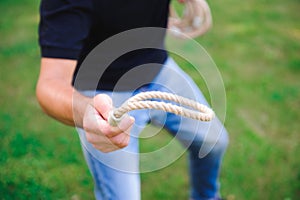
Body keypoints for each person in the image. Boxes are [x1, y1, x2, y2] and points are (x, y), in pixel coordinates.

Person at [36, 0, 228, 199]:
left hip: (159, 69)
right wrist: (86, 111)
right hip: (103, 93)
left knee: (214, 142)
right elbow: (50, 83)